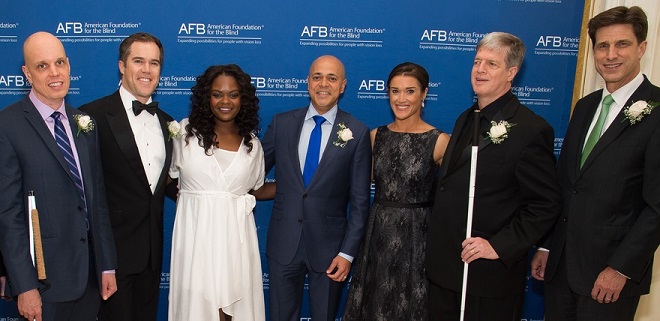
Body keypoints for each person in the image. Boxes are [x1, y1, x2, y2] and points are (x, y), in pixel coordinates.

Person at [531, 6, 660, 321]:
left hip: (610, 277)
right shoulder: (586, 106)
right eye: (602, 45)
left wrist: (621, 268)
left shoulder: (657, 111)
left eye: (622, 44)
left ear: (642, 48)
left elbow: (657, 205)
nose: (610, 54)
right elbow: (565, 184)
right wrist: (548, 246)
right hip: (561, 269)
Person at [425, 32, 562, 321]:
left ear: (511, 73)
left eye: (491, 64)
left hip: (488, 276)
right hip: (446, 270)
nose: (480, 70)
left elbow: (545, 204)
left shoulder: (530, 129)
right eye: (477, 62)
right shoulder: (466, 117)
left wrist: (498, 246)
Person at [0, 31, 117, 321]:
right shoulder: (7, 126)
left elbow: (97, 199)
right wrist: (25, 286)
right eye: (42, 66)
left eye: (60, 63)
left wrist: (106, 265)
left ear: (69, 66)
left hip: (90, 278)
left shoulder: (84, 124)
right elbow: (8, 214)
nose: (54, 73)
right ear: (27, 73)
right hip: (44, 282)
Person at [261, 55, 371, 321]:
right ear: (308, 82)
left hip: (331, 249)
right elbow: (252, 172)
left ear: (343, 85)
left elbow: (359, 202)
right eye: (318, 77)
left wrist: (347, 253)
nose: (324, 84)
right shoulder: (282, 123)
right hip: (284, 243)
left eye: (332, 78)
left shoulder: (357, 132)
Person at [343, 62, 450, 320]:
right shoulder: (375, 136)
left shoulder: (439, 141)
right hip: (377, 233)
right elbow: (356, 184)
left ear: (424, 94)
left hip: (417, 237)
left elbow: (454, 197)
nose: (401, 99)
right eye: (395, 91)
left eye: (410, 91)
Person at [78, 32, 172, 321]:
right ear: (122, 66)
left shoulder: (168, 123)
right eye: (138, 61)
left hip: (152, 257)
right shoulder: (91, 116)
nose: (147, 70)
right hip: (111, 260)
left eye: (154, 63)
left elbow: (162, 186)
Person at [168, 64, 267, 321]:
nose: (225, 101)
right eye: (217, 94)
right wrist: (194, 203)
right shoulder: (185, 135)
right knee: (198, 308)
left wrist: (302, 187)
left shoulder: (253, 145)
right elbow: (166, 181)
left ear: (243, 99)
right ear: (206, 97)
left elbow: (257, 188)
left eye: (233, 94)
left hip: (236, 240)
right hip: (195, 238)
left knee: (234, 309)